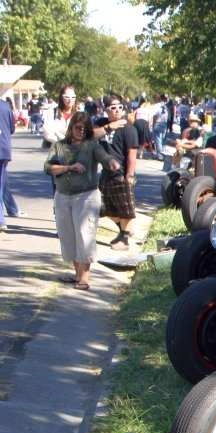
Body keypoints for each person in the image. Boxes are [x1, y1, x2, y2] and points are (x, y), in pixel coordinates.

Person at [44, 112, 120, 288]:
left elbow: (104, 157)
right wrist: (68, 167)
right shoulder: (59, 146)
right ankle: (77, 273)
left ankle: (85, 276)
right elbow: (48, 168)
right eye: (78, 127)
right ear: (71, 127)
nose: (81, 131)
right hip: (62, 196)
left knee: (85, 234)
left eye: (85, 129)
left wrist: (111, 163)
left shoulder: (92, 146)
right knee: (68, 236)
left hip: (86, 196)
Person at [97, 94, 139, 251]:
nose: (117, 110)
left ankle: (124, 237)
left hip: (121, 174)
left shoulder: (128, 129)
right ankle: (125, 229)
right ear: (106, 109)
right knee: (102, 207)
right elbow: (89, 135)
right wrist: (109, 127)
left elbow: (132, 154)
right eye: (113, 107)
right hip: (106, 173)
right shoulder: (101, 124)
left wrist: (129, 175)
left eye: (120, 107)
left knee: (124, 209)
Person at [0, 98, 13, 232]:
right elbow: (12, 128)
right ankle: (12, 209)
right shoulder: (5, 106)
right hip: (4, 149)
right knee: (2, 182)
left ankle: (0, 220)